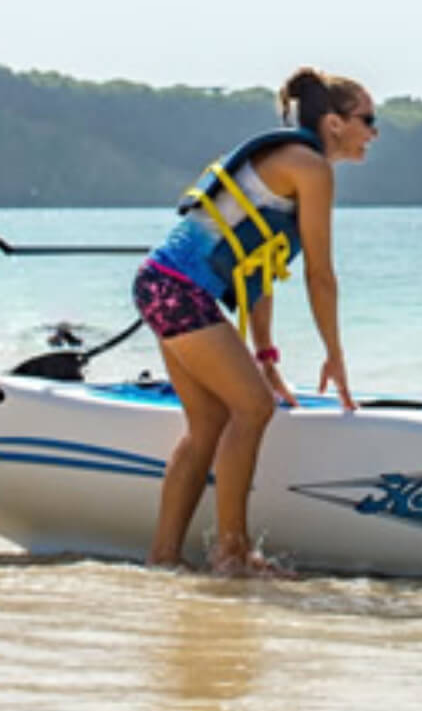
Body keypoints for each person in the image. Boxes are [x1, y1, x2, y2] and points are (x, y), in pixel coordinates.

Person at [133, 67, 376, 574]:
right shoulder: (310, 168)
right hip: (178, 289)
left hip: (159, 284)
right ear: (334, 123)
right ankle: (232, 552)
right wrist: (334, 355)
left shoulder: (292, 164)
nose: (373, 134)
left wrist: (265, 357)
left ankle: (164, 557)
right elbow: (320, 275)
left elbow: (257, 273)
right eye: (368, 121)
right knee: (254, 408)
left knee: (208, 424)